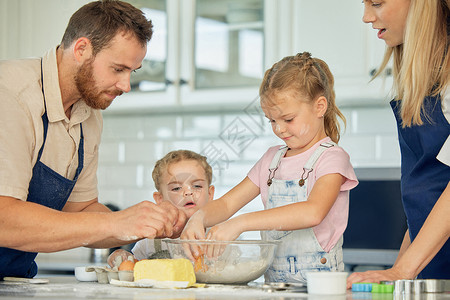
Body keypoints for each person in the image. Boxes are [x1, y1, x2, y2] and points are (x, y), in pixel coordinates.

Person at [0, 0, 186, 279]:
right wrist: (117, 223)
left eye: (131, 72)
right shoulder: (10, 94)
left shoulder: (88, 114)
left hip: (12, 278)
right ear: (81, 49)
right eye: (118, 69)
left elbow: (82, 211)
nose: (126, 86)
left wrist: (145, 222)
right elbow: (4, 220)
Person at [181, 52, 358, 284]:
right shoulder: (271, 160)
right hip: (275, 287)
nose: (279, 129)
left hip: (321, 288)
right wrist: (198, 218)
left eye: (288, 119)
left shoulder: (332, 158)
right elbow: (226, 204)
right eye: (272, 120)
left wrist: (240, 223)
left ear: (319, 107)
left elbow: (313, 211)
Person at [347, 0, 450, 286]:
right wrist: (398, 277)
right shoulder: (424, 82)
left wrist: (403, 271)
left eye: (377, 2)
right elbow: (429, 199)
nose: (367, 17)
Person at [107, 150, 215, 267]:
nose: (188, 192)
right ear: (160, 199)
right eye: (177, 188)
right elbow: (132, 265)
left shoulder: (219, 236)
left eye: (197, 186)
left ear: (210, 194)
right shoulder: (151, 241)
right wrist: (122, 256)